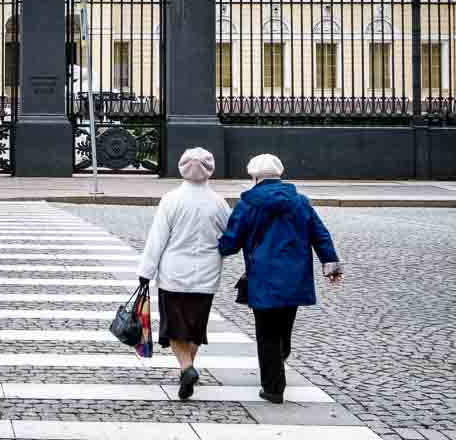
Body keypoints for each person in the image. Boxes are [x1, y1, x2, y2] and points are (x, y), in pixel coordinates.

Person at [219, 153, 342, 404]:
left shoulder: (248, 204)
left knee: (266, 332)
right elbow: (320, 234)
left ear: (254, 177)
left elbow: (232, 242)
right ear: (279, 174)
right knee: (285, 324)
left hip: (262, 277)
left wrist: (218, 248)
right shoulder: (300, 202)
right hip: (294, 277)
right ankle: (280, 356)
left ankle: (274, 387)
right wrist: (331, 265)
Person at [136, 147, 231, 400]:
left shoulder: (171, 199)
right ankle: (187, 369)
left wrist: (146, 271)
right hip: (207, 274)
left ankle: (186, 368)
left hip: (173, 273)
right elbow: (230, 237)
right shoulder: (219, 203)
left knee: (175, 327)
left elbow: (157, 238)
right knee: (195, 327)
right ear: (210, 169)